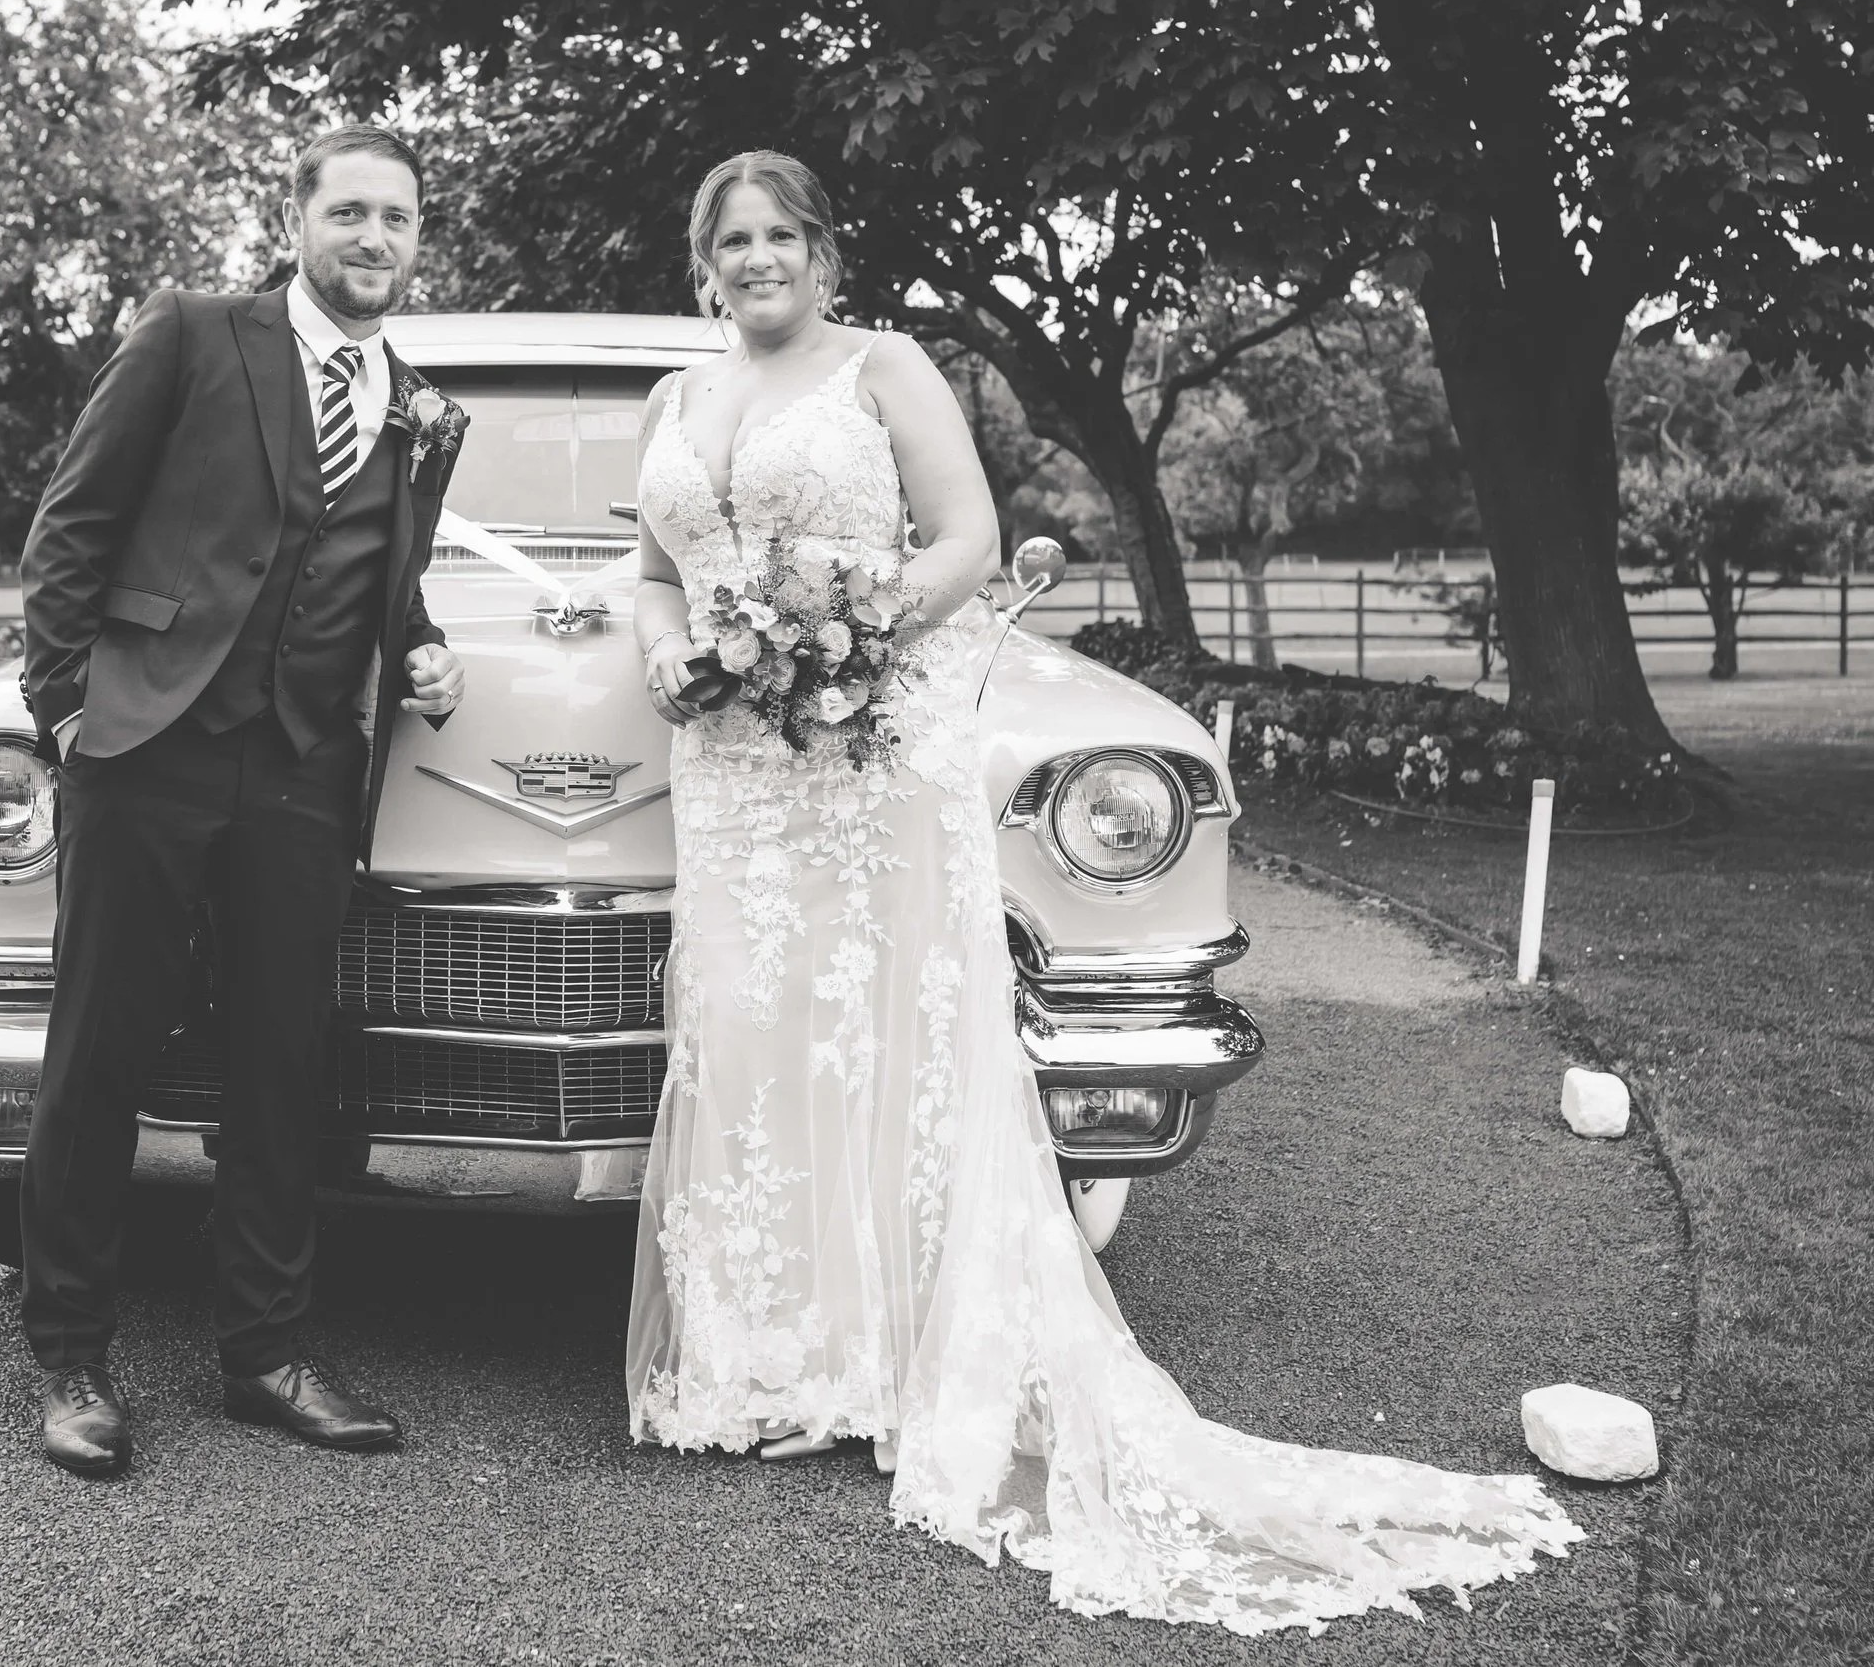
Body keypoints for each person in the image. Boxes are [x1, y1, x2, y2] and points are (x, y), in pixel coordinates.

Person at [625, 150, 1579, 1631]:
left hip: (868, 755)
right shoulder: (675, 401)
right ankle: (763, 1363)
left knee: (887, 1044)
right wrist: (667, 650)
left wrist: (841, 633)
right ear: (704, 263)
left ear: (822, 255)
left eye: (779, 237)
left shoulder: (887, 369)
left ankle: (892, 1364)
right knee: (754, 1045)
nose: (755, 259)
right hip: (734, 777)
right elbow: (656, 573)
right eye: (729, 240)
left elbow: (967, 546)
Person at [14, 124, 468, 1476]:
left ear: (416, 237)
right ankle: (72, 1360)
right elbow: (73, 526)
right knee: (99, 1052)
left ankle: (265, 1356)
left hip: (305, 768)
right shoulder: (194, 335)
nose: (371, 238)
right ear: (298, 216)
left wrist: (421, 639)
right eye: (349, 213)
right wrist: (65, 710)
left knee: (284, 1066)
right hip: (149, 747)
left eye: (395, 217)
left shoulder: (421, 402)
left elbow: (377, 570)